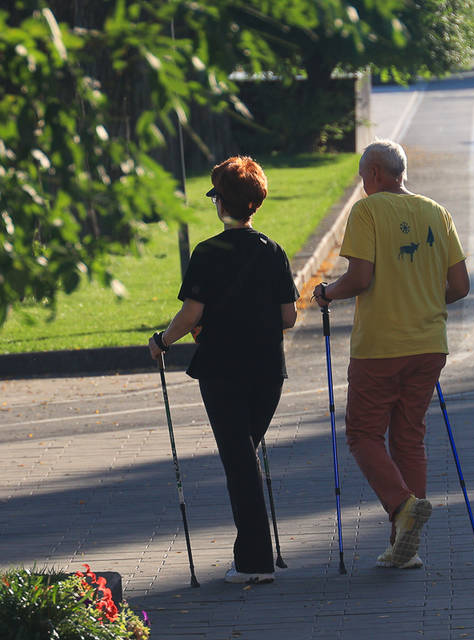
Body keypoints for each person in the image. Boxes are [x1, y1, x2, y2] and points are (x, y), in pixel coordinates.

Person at [313, 139, 470, 569]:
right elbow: (459, 287)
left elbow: (360, 277)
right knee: (408, 436)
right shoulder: (437, 212)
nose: (364, 184)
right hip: (428, 345)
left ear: (376, 173)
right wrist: (425, 302)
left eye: (365, 176)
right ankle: (406, 546)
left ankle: (402, 506)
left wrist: (327, 293)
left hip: (380, 346)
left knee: (363, 435)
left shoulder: (367, 211)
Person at [149, 156, 299, 585]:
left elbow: (190, 312)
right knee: (244, 455)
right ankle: (250, 555)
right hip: (269, 370)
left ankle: (254, 561)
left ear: (221, 204)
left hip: (222, 370)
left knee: (238, 460)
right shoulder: (273, 251)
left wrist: (162, 341)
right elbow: (288, 317)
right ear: (256, 203)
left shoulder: (207, 252)